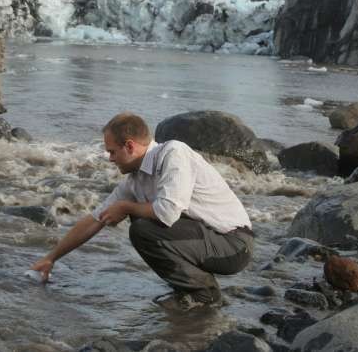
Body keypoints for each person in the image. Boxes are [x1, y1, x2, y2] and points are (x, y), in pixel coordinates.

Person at [30, 112, 254, 310]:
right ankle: (190, 289)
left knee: (142, 228)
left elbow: (168, 211)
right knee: (142, 221)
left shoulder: (174, 153)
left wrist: (126, 207)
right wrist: (51, 258)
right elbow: (94, 220)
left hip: (234, 245)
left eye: (112, 152)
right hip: (207, 239)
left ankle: (204, 294)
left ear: (129, 146)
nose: (110, 159)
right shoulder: (134, 180)